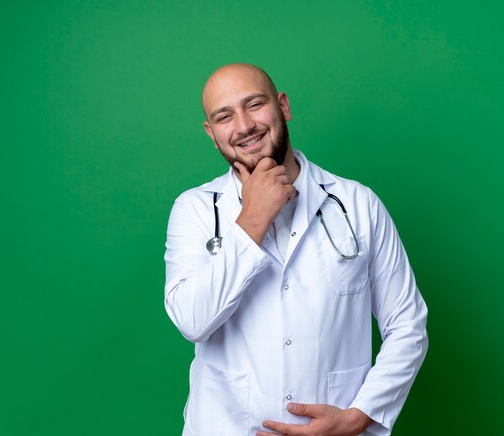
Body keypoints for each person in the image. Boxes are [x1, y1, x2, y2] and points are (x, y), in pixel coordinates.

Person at [164, 63, 428, 436]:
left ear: (283, 106)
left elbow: (407, 325)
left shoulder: (358, 204)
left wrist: (358, 416)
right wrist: (252, 219)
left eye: (254, 105)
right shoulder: (194, 210)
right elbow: (193, 321)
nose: (243, 126)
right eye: (225, 116)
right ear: (212, 133)